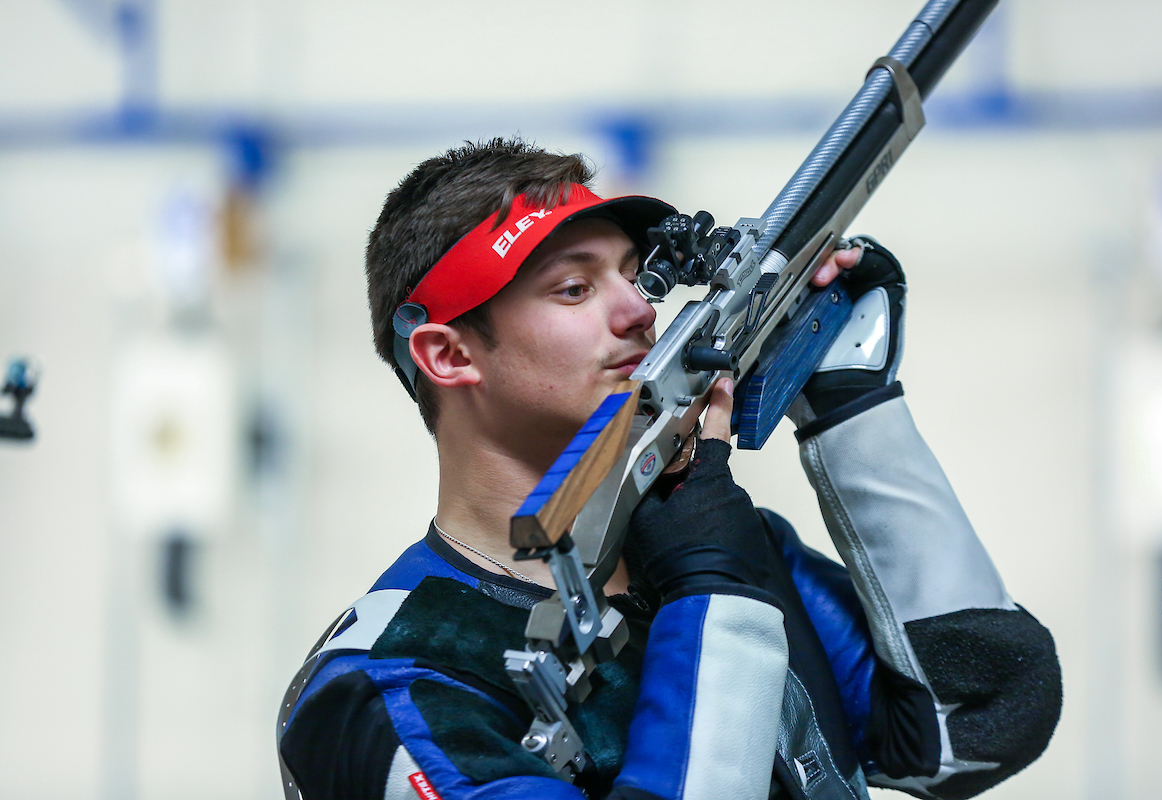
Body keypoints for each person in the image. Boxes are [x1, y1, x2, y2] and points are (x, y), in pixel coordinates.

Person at [276, 138, 1061, 800]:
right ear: (448, 354)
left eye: (632, 275)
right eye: (575, 287)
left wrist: (853, 406)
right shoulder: (386, 685)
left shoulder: (716, 548)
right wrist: (713, 596)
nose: (639, 312)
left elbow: (981, 718)